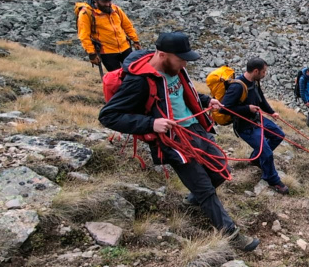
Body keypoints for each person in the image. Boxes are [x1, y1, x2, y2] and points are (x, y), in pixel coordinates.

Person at [99, 32, 259, 252]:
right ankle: (231, 234)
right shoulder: (139, 81)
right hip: (173, 140)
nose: (185, 63)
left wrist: (205, 100)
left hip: (195, 128)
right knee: (204, 187)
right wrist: (151, 123)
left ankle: (194, 199)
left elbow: (182, 93)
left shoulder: (176, 69)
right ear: (162, 54)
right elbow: (108, 116)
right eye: (181, 58)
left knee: (221, 169)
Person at [221, 57, 289, 195]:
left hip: (257, 119)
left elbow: (261, 99)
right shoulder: (237, 86)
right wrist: (247, 108)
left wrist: (271, 112)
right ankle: (273, 179)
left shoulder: (255, 82)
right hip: (246, 126)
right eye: (264, 72)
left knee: (279, 135)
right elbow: (224, 108)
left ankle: (255, 159)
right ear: (256, 71)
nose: (265, 74)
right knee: (267, 152)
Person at [77, 0, 141, 72]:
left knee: (134, 73)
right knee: (117, 78)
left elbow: (127, 25)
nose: (107, 4)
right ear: (96, 1)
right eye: (104, 2)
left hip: (125, 47)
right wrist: (92, 54)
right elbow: (84, 36)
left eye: (109, 1)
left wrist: (135, 41)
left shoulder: (115, 9)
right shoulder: (86, 13)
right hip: (107, 52)